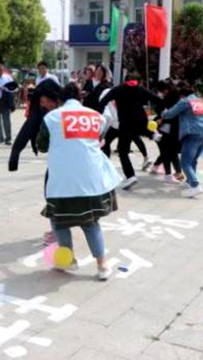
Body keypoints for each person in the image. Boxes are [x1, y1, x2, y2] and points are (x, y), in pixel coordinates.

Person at [37, 82, 120, 281]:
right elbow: (99, 138)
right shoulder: (96, 117)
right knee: (91, 223)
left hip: (63, 181)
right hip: (92, 180)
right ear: (80, 97)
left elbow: (41, 146)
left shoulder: (52, 117)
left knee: (59, 221)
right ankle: (102, 265)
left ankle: (68, 260)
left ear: (61, 99)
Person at [99, 75, 162, 191]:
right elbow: (156, 99)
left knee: (123, 151)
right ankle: (152, 134)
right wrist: (161, 113)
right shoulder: (140, 88)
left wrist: (99, 113)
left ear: (125, 80)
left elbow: (103, 102)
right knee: (140, 129)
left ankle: (131, 176)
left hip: (125, 123)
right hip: (141, 119)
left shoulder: (117, 89)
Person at [161, 81, 203, 198]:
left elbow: (170, 114)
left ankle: (195, 185)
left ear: (181, 94)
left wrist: (163, 113)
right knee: (193, 160)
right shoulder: (201, 101)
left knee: (185, 162)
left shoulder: (184, 101)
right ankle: (189, 182)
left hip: (192, 133)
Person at [8, 76, 62, 172]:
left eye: (45, 101)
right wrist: (14, 158)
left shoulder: (67, 112)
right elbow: (25, 133)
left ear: (56, 100)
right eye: (41, 102)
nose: (43, 104)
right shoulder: (39, 111)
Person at [151, 80, 184, 183]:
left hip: (169, 128)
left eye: (162, 91)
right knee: (168, 151)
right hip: (164, 129)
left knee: (168, 151)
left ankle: (166, 171)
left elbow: (170, 115)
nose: (162, 93)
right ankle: (171, 174)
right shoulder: (171, 98)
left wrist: (162, 119)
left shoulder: (173, 99)